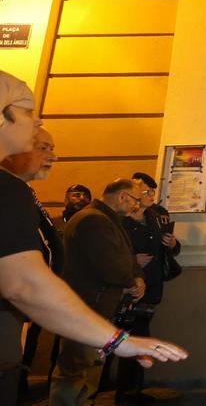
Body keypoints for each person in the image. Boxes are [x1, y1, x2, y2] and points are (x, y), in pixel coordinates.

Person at [0, 71, 186, 405]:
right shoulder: (9, 191)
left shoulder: (16, 191)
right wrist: (120, 341)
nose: (37, 119)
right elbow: (25, 284)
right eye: (26, 110)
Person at [50, 179, 148, 406]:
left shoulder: (109, 220)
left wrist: (138, 276)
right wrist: (130, 281)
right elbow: (110, 264)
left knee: (93, 364)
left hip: (99, 306)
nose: (136, 206)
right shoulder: (93, 220)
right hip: (86, 306)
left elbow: (127, 255)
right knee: (76, 368)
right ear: (122, 196)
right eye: (135, 200)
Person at [1, 127, 62, 397]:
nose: (52, 156)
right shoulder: (10, 191)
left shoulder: (22, 191)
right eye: (43, 147)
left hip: (20, 306)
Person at [114, 173, 181, 404]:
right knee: (129, 339)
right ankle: (123, 393)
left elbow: (170, 248)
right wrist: (133, 261)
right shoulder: (120, 219)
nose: (151, 196)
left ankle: (134, 390)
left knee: (141, 337)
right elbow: (111, 251)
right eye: (146, 192)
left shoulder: (156, 216)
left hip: (151, 286)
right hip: (128, 288)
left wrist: (172, 244)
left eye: (153, 192)